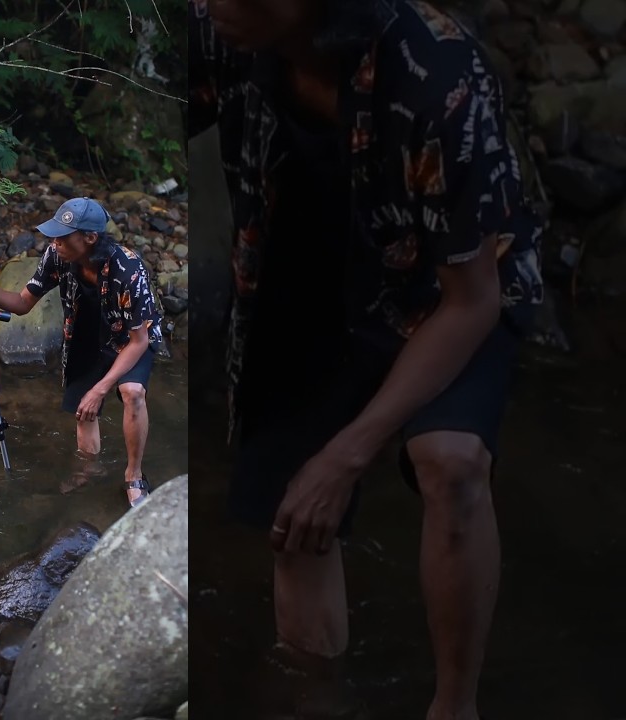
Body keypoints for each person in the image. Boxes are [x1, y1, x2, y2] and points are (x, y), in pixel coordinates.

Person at [190, 0, 545, 718]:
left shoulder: (436, 69)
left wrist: (349, 452)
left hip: (446, 284)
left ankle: (455, 704)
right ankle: (319, 696)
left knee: (450, 461)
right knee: (296, 507)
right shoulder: (219, 32)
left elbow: (471, 302)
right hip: (300, 259)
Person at [0, 197, 166, 509]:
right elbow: (22, 302)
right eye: (54, 236)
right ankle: (89, 469)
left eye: (62, 237)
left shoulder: (129, 270)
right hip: (84, 334)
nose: (55, 243)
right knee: (84, 409)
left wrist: (101, 388)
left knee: (132, 392)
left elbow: (139, 342)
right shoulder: (56, 257)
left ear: (89, 238)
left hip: (129, 339)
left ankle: (134, 475)